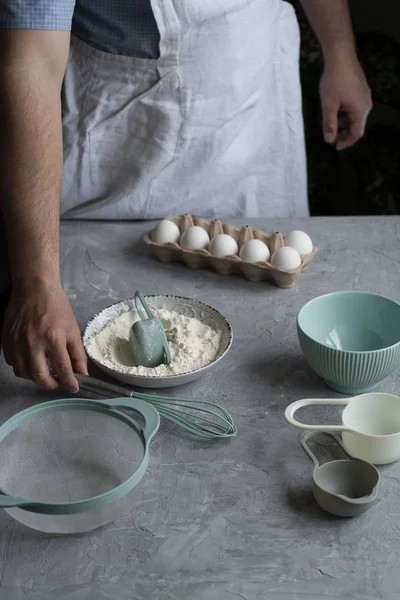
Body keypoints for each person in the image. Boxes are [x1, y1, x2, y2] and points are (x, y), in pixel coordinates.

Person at [0, 0, 372, 392]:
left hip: (257, 91)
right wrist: (36, 284)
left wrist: (340, 51)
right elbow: (32, 63)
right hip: (131, 134)